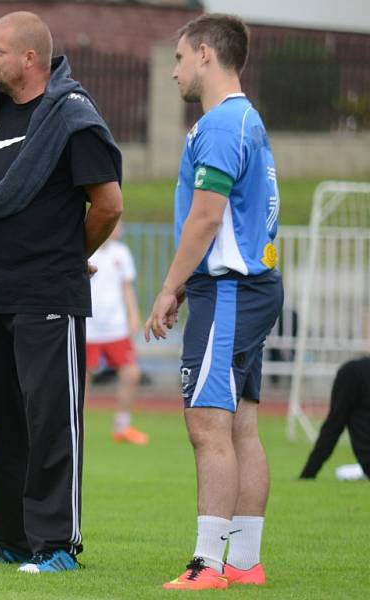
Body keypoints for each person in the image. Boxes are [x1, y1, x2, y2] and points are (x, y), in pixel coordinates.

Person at [0, 11, 123, 573]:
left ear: (30, 58)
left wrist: (67, 258)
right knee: (5, 423)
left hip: (47, 292)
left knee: (52, 422)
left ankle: (57, 545)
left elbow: (109, 205)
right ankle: (11, 540)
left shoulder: (74, 118)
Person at [144, 14, 283, 590]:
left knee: (207, 425)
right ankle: (245, 561)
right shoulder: (246, 119)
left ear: (205, 53)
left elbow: (206, 217)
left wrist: (169, 287)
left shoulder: (222, 124)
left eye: (178, 58)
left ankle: (208, 564)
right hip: (252, 286)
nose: (174, 70)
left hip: (228, 289)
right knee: (241, 425)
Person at [86, 222, 148, 445]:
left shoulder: (122, 253)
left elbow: (127, 287)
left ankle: (122, 426)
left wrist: (133, 315)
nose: (118, 228)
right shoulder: (86, 250)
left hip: (116, 327)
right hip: (89, 326)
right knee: (83, 377)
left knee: (131, 373)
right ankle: (76, 424)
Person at [300, 356, 370, 480]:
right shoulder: (354, 371)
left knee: (343, 472)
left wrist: (308, 473)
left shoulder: (352, 372)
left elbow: (334, 424)